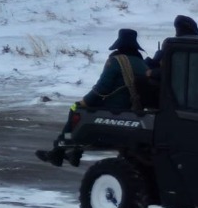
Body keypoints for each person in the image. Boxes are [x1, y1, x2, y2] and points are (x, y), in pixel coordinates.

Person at [35, 28, 149, 167]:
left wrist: (85, 101)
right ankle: (74, 154)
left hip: (113, 108)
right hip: (132, 109)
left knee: (76, 109)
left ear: (119, 45)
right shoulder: (142, 64)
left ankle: (59, 151)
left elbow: (102, 88)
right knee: (82, 116)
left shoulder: (117, 61)